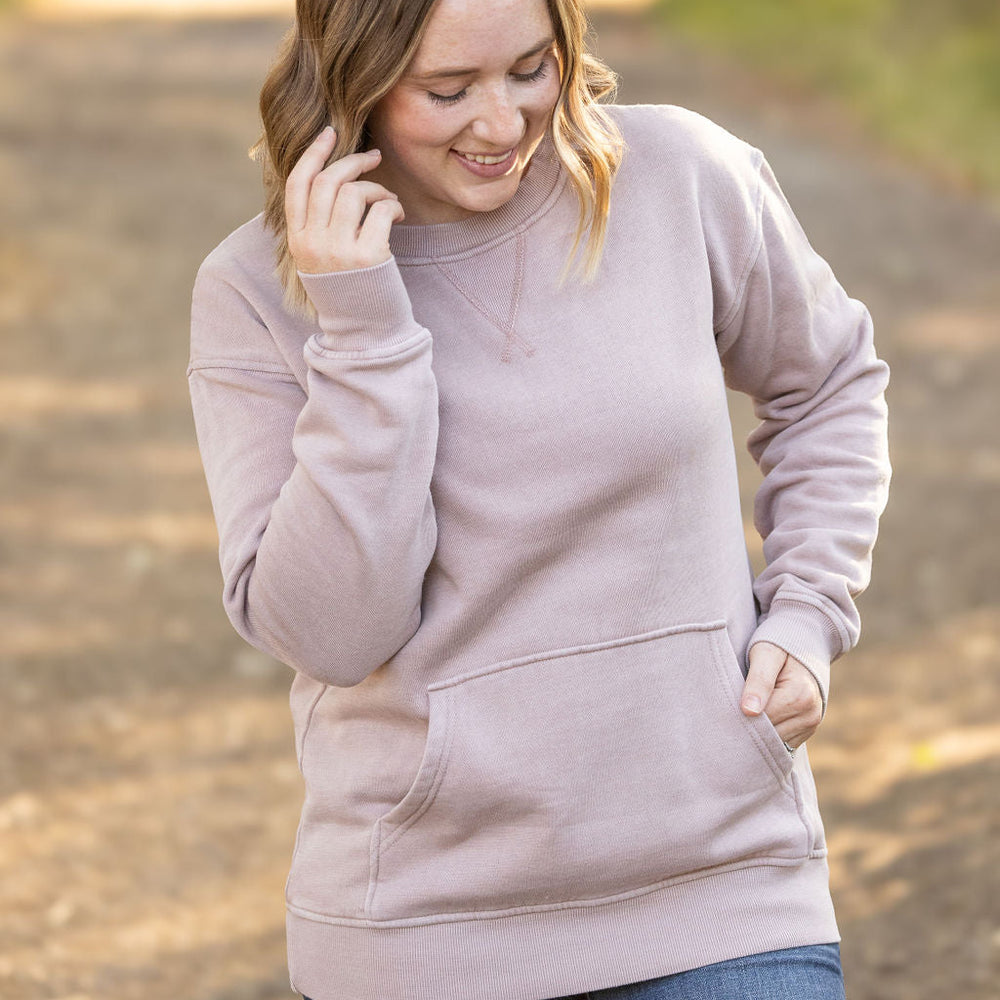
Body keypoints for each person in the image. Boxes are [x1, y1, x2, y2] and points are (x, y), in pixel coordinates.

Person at [186, 0, 891, 997]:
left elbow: (827, 383)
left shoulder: (683, 178)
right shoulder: (259, 291)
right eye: (446, 89)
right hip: (421, 932)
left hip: (724, 891)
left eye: (530, 68)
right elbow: (335, 631)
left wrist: (810, 611)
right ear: (351, 74)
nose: (502, 122)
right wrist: (361, 332)